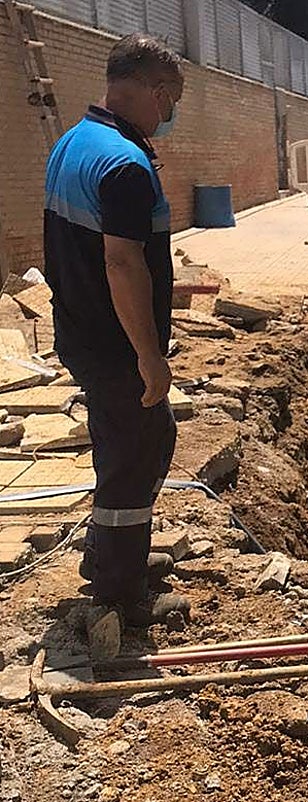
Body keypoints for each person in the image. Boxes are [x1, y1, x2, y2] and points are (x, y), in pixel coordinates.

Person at [43, 34, 190, 658]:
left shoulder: (72, 141)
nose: (170, 114)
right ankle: (119, 594)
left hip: (80, 331)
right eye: (172, 102)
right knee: (134, 456)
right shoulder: (125, 164)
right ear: (157, 92)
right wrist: (150, 358)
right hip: (116, 345)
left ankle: (109, 553)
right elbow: (124, 264)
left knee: (130, 444)